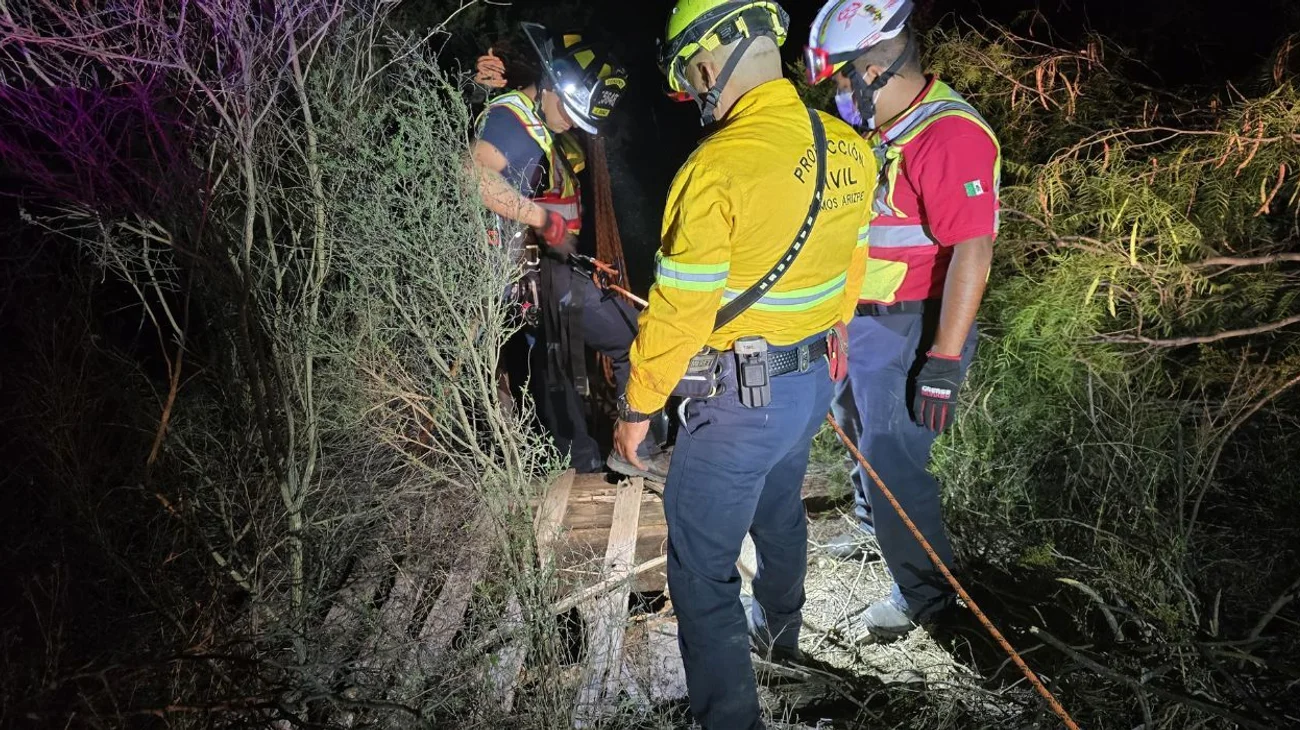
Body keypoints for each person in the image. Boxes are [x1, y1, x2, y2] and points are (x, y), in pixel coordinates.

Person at [611, 1, 875, 726]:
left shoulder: (717, 165)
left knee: (702, 567)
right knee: (779, 512)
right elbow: (854, 262)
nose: (696, 86)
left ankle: (728, 717)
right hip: (812, 383)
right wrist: (834, 336)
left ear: (708, 60)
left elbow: (679, 313)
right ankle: (779, 644)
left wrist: (636, 409)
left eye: (691, 70)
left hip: (740, 403)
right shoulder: (850, 144)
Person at [804, 0, 1001, 639]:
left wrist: (943, 361)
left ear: (875, 70)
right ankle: (875, 533)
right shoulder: (891, 131)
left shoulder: (948, 134)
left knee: (893, 460)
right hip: (867, 323)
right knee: (859, 432)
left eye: (841, 79)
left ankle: (926, 599)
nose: (838, 94)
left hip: (914, 328)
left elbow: (974, 246)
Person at [471, 24, 670, 481]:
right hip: (522, 274)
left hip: (531, 270)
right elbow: (474, 176)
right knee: (615, 342)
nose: (573, 123)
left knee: (554, 363)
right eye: (571, 111)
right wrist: (543, 221)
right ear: (551, 83)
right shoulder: (516, 117)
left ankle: (583, 458)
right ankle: (623, 453)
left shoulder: (533, 119)